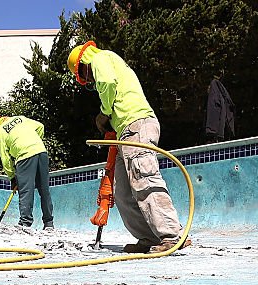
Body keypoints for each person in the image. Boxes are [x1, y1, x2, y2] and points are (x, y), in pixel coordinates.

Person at [67, 41, 191, 254]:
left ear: (83, 66)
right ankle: (150, 237)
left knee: (144, 177)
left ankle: (171, 235)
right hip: (127, 130)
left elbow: (106, 82)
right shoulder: (111, 62)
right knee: (122, 191)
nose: (90, 82)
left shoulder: (100, 58)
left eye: (87, 79)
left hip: (137, 124)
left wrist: (104, 113)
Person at [0, 115, 54, 230]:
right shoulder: (19, 118)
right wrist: (34, 143)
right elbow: (40, 127)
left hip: (24, 156)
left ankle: (25, 223)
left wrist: (12, 178)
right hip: (41, 151)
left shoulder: (0, 133)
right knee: (44, 189)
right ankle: (49, 223)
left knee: (26, 191)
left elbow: (5, 159)